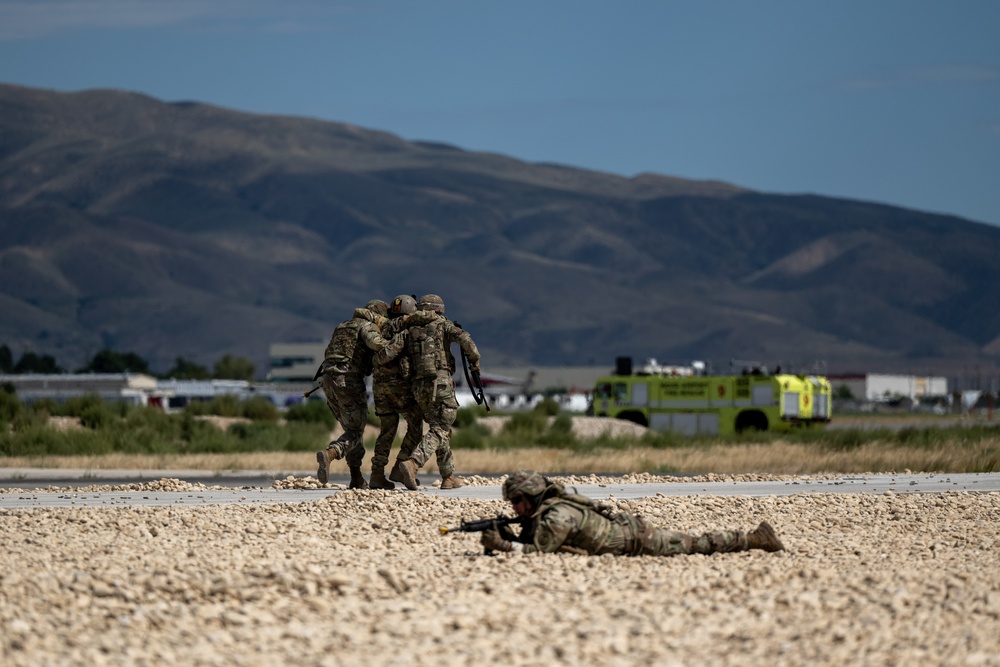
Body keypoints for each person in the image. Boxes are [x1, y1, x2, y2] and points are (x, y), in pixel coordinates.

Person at [480, 471, 786, 556]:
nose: (515, 508)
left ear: (533, 496)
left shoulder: (557, 515)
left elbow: (540, 550)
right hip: (627, 534)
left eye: (518, 500)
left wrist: (505, 545)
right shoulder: (547, 511)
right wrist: (509, 534)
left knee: (696, 544)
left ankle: (754, 539)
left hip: (638, 540)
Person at [388, 294, 480, 491]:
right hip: (440, 383)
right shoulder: (442, 324)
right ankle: (413, 463)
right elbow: (465, 339)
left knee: (439, 429)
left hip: (418, 387)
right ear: (438, 310)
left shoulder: (409, 328)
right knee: (443, 426)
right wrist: (475, 360)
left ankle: (448, 476)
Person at [315, 299, 404, 489]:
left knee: (351, 430)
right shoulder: (367, 326)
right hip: (348, 381)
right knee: (355, 431)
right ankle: (331, 453)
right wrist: (400, 342)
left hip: (328, 381)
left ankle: (356, 478)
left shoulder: (342, 326)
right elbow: (378, 345)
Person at [367, 294, 426, 489]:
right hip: (400, 386)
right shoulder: (408, 326)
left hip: (379, 387)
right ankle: (400, 466)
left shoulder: (381, 326)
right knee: (416, 424)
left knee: (387, 430)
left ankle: (376, 474)